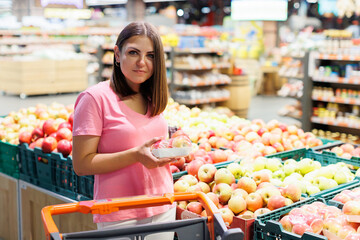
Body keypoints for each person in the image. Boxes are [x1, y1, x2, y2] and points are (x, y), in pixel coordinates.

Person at [72, 21, 176, 239]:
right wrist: (135, 156)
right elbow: (81, 164)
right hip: (119, 211)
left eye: (151, 56)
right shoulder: (94, 99)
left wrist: (175, 147)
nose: (142, 62)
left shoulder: (152, 96)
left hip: (162, 205)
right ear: (117, 55)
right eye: (133, 52)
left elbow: (153, 145)